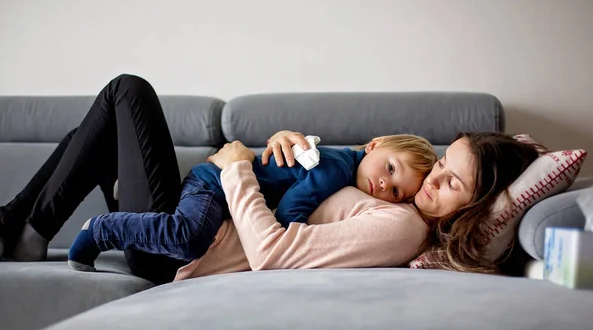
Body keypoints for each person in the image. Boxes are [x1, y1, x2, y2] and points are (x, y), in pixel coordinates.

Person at [0, 74, 540, 285]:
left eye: (450, 185)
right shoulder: (383, 189)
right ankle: (15, 225)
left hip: (181, 246)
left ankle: (26, 227)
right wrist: (283, 144)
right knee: (97, 131)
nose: (429, 183)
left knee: (126, 92)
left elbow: (272, 253)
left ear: (478, 207)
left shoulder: (403, 227)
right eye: (442, 165)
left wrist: (236, 162)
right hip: (197, 217)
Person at [66, 130, 437, 271]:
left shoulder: (345, 170)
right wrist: (290, 230)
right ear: (373, 145)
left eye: (396, 192)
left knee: (190, 235)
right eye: (389, 167)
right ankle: (102, 230)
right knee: (189, 236)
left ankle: (117, 196)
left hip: (221, 192)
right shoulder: (335, 168)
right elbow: (294, 206)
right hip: (215, 182)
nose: (382, 186)